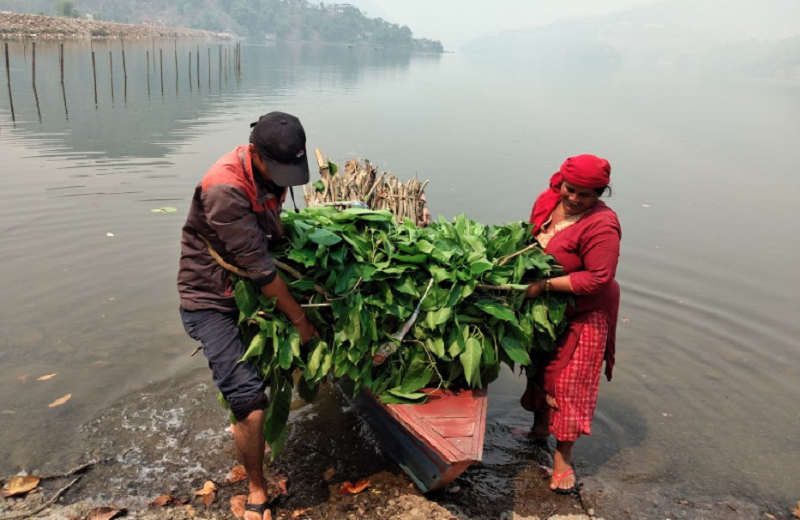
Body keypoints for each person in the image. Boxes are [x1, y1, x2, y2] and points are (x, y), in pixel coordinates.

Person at [177, 112, 320, 520]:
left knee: (256, 380)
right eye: (278, 169)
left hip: (250, 289)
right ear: (254, 152)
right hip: (211, 298)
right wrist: (299, 321)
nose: (284, 178)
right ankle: (257, 488)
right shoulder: (224, 189)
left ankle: (243, 430)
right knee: (251, 401)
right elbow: (261, 271)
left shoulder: (268, 171)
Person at [521, 154, 621, 494]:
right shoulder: (549, 201)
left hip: (584, 309)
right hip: (546, 306)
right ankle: (538, 430)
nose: (575, 199)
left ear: (601, 193)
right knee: (538, 365)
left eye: (587, 194)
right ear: (561, 183)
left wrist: (545, 285)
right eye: (571, 189)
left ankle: (563, 460)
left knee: (569, 381)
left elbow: (599, 278)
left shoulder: (602, 226)